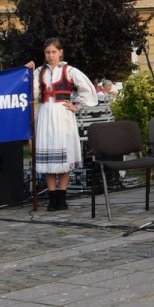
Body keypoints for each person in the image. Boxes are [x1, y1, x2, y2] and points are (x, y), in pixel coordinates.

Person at [25, 38, 97, 212]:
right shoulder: (39, 72)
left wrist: (76, 105)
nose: (51, 55)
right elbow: (32, 94)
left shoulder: (69, 70)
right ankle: (52, 198)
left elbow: (88, 90)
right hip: (45, 114)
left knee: (63, 158)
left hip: (63, 114)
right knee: (49, 157)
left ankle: (62, 198)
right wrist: (27, 73)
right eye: (47, 52)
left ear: (60, 52)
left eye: (54, 52)